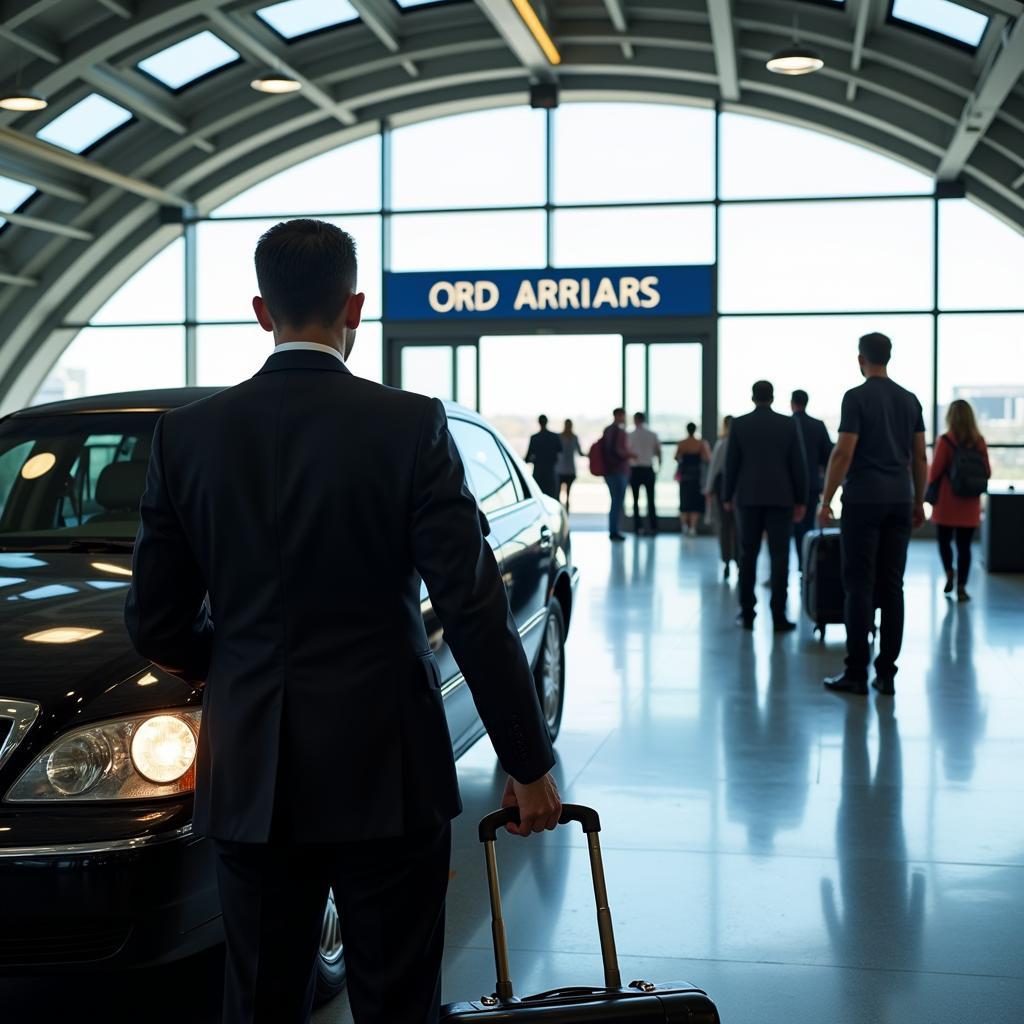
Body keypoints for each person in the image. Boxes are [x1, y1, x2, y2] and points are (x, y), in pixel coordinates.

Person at [125, 218, 562, 1024]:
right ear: (353, 306)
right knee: (396, 998)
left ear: (262, 310)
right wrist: (527, 760)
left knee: (260, 998)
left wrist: (236, 666)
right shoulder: (410, 424)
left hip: (253, 767)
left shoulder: (187, 435)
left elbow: (154, 620)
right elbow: (472, 606)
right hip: (388, 770)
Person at [819, 331, 928, 697]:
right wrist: (918, 501)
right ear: (890, 357)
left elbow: (844, 452)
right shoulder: (910, 400)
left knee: (859, 586)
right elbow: (920, 456)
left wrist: (826, 499)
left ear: (860, 359)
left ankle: (856, 672)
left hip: (864, 500)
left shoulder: (856, 397)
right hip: (899, 499)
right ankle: (887, 675)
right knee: (892, 585)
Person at [724, 381, 808, 632]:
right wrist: (801, 500)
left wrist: (728, 496)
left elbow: (732, 464)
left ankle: (748, 613)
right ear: (773, 397)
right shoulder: (788, 424)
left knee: (747, 555)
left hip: (748, 498)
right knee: (780, 557)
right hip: (781, 498)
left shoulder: (739, 424)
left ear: (752, 397)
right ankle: (778, 615)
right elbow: (798, 464)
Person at [928, 399, 990, 602]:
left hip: (947, 501)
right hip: (969, 503)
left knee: (944, 542)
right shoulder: (979, 441)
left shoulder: (945, 440)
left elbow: (935, 471)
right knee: (965, 547)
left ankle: (948, 573)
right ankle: (962, 588)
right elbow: (987, 471)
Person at [791, 389, 833, 572]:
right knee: (808, 526)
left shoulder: (788, 424)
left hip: (789, 487)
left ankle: (790, 569)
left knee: (789, 529)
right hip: (811, 486)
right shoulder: (818, 426)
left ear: (792, 403)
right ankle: (806, 567)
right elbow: (828, 456)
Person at [704, 415, 739, 580]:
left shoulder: (722, 443)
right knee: (739, 527)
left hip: (723, 489)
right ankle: (739, 559)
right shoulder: (739, 443)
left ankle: (726, 561)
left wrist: (709, 488)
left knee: (725, 526)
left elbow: (714, 468)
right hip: (739, 489)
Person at [601, 407, 633, 541]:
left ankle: (614, 529)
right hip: (618, 471)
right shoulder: (618, 432)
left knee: (615, 501)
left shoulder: (608, 430)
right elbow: (618, 451)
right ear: (619, 416)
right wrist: (629, 455)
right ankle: (614, 530)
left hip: (609, 471)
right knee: (617, 502)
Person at [674, 423, 711, 535]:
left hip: (684, 476)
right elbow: (708, 458)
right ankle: (692, 527)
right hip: (696, 476)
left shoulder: (682, 443)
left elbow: (676, 457)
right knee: (695, 502)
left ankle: (685, 526)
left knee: (684, 501)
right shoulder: (701, 443)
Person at [629, 412, 661, 535]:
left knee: (635, 500)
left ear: (635, 420)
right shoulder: (652, 434)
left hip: (635, 469)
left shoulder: (630, 435)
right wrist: (659, 467)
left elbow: (628, 452)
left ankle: (638, 527)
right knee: (651, 500)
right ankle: (653, 527)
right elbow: (658, 452)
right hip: (648, 469)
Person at [525, 414, 562, 499]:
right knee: (552, 498)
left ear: (539, 422)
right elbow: (560, 452)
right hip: (551, 472)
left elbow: (528, 457)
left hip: (538, 473)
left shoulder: (535, 438)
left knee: (538, 497)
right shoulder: (554, 437)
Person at [556, 418, 583, 512]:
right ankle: (561, 514)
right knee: (559, 494)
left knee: (567, 495)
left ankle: (565, 515)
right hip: (561, 469)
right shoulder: (560, 437)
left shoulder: (573, 437)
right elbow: (580, 453)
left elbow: (580, 452)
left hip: (568, 470)